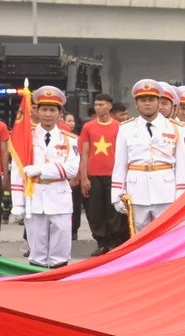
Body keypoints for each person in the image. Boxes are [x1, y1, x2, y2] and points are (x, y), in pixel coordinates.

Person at [11, 87, 80, 267]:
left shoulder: (70, 139)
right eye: (44, 109)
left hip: (59, 197)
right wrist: (17, 203)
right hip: (33, 197)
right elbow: (18, 170)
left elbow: (71, 169)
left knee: (60, 252)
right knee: (37, 252)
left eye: (52, 110)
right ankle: (37, 282)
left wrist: (40, 170)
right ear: (37, 111)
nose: (48, 114)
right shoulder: (27, 138)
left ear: (59, 113)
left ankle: (58, 281)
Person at [111, 81, 181, 234]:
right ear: (136, 104)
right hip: (137, 191)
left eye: (151, 100)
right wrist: (117, 194)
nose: (147, 104)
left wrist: (181, 193)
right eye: (143, 100)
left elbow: (181, 166)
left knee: (166, 234)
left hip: (166, 191)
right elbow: (120, 164)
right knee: (140, 235)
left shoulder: (175, 128)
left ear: (158, 102)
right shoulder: (126, 128)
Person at [80, 94, 122, 254]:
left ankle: (113, 242)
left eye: (101, 104)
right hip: (94, 174)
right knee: (95, 211)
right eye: (96, 105)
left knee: (113, 210)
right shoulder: (88, 127)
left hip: (113, 174)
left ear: (110, 106)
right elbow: (84, 153)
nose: (98, 108)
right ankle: (101, 242)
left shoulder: (119, 126)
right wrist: (84, 177)